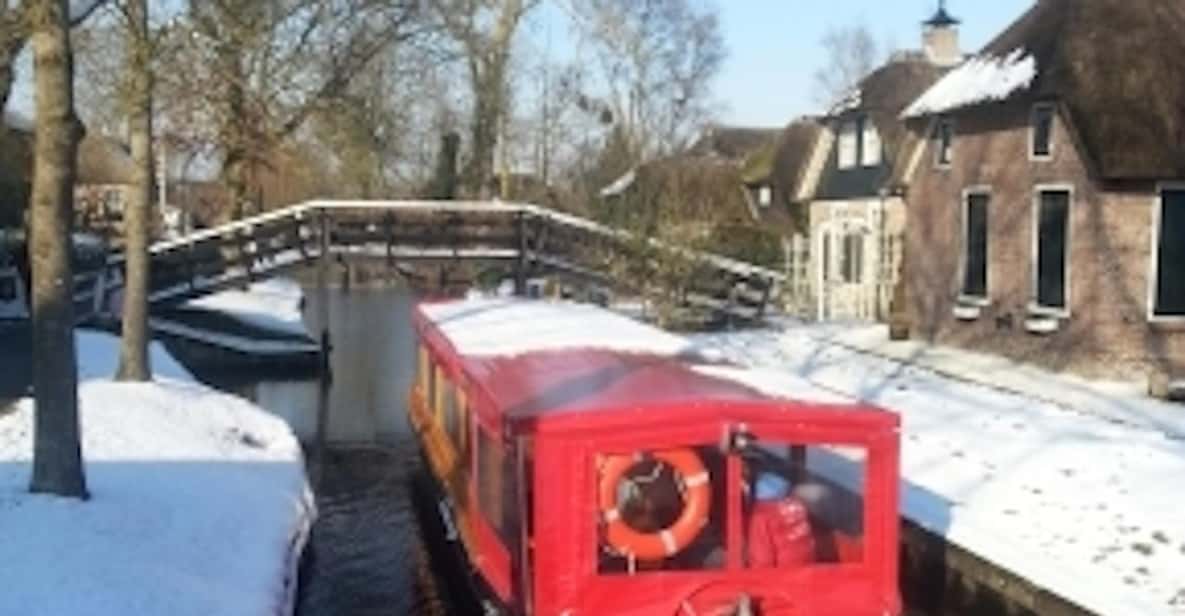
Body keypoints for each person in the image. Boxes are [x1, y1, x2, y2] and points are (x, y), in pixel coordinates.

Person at [746, 471, 815, 567]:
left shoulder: (761, 516)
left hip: (782, 576)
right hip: (806, 568)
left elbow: (761, 558)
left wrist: (760, 579)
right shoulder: (797, 504)